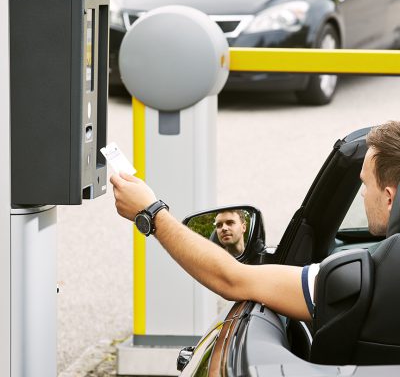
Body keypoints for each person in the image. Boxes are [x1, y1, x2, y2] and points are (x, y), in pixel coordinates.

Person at [110, 121, 400, 322]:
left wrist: (151, 213)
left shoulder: (358, 279)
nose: (362, 194)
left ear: (389, 196)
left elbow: (232, 278)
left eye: (364, 184)